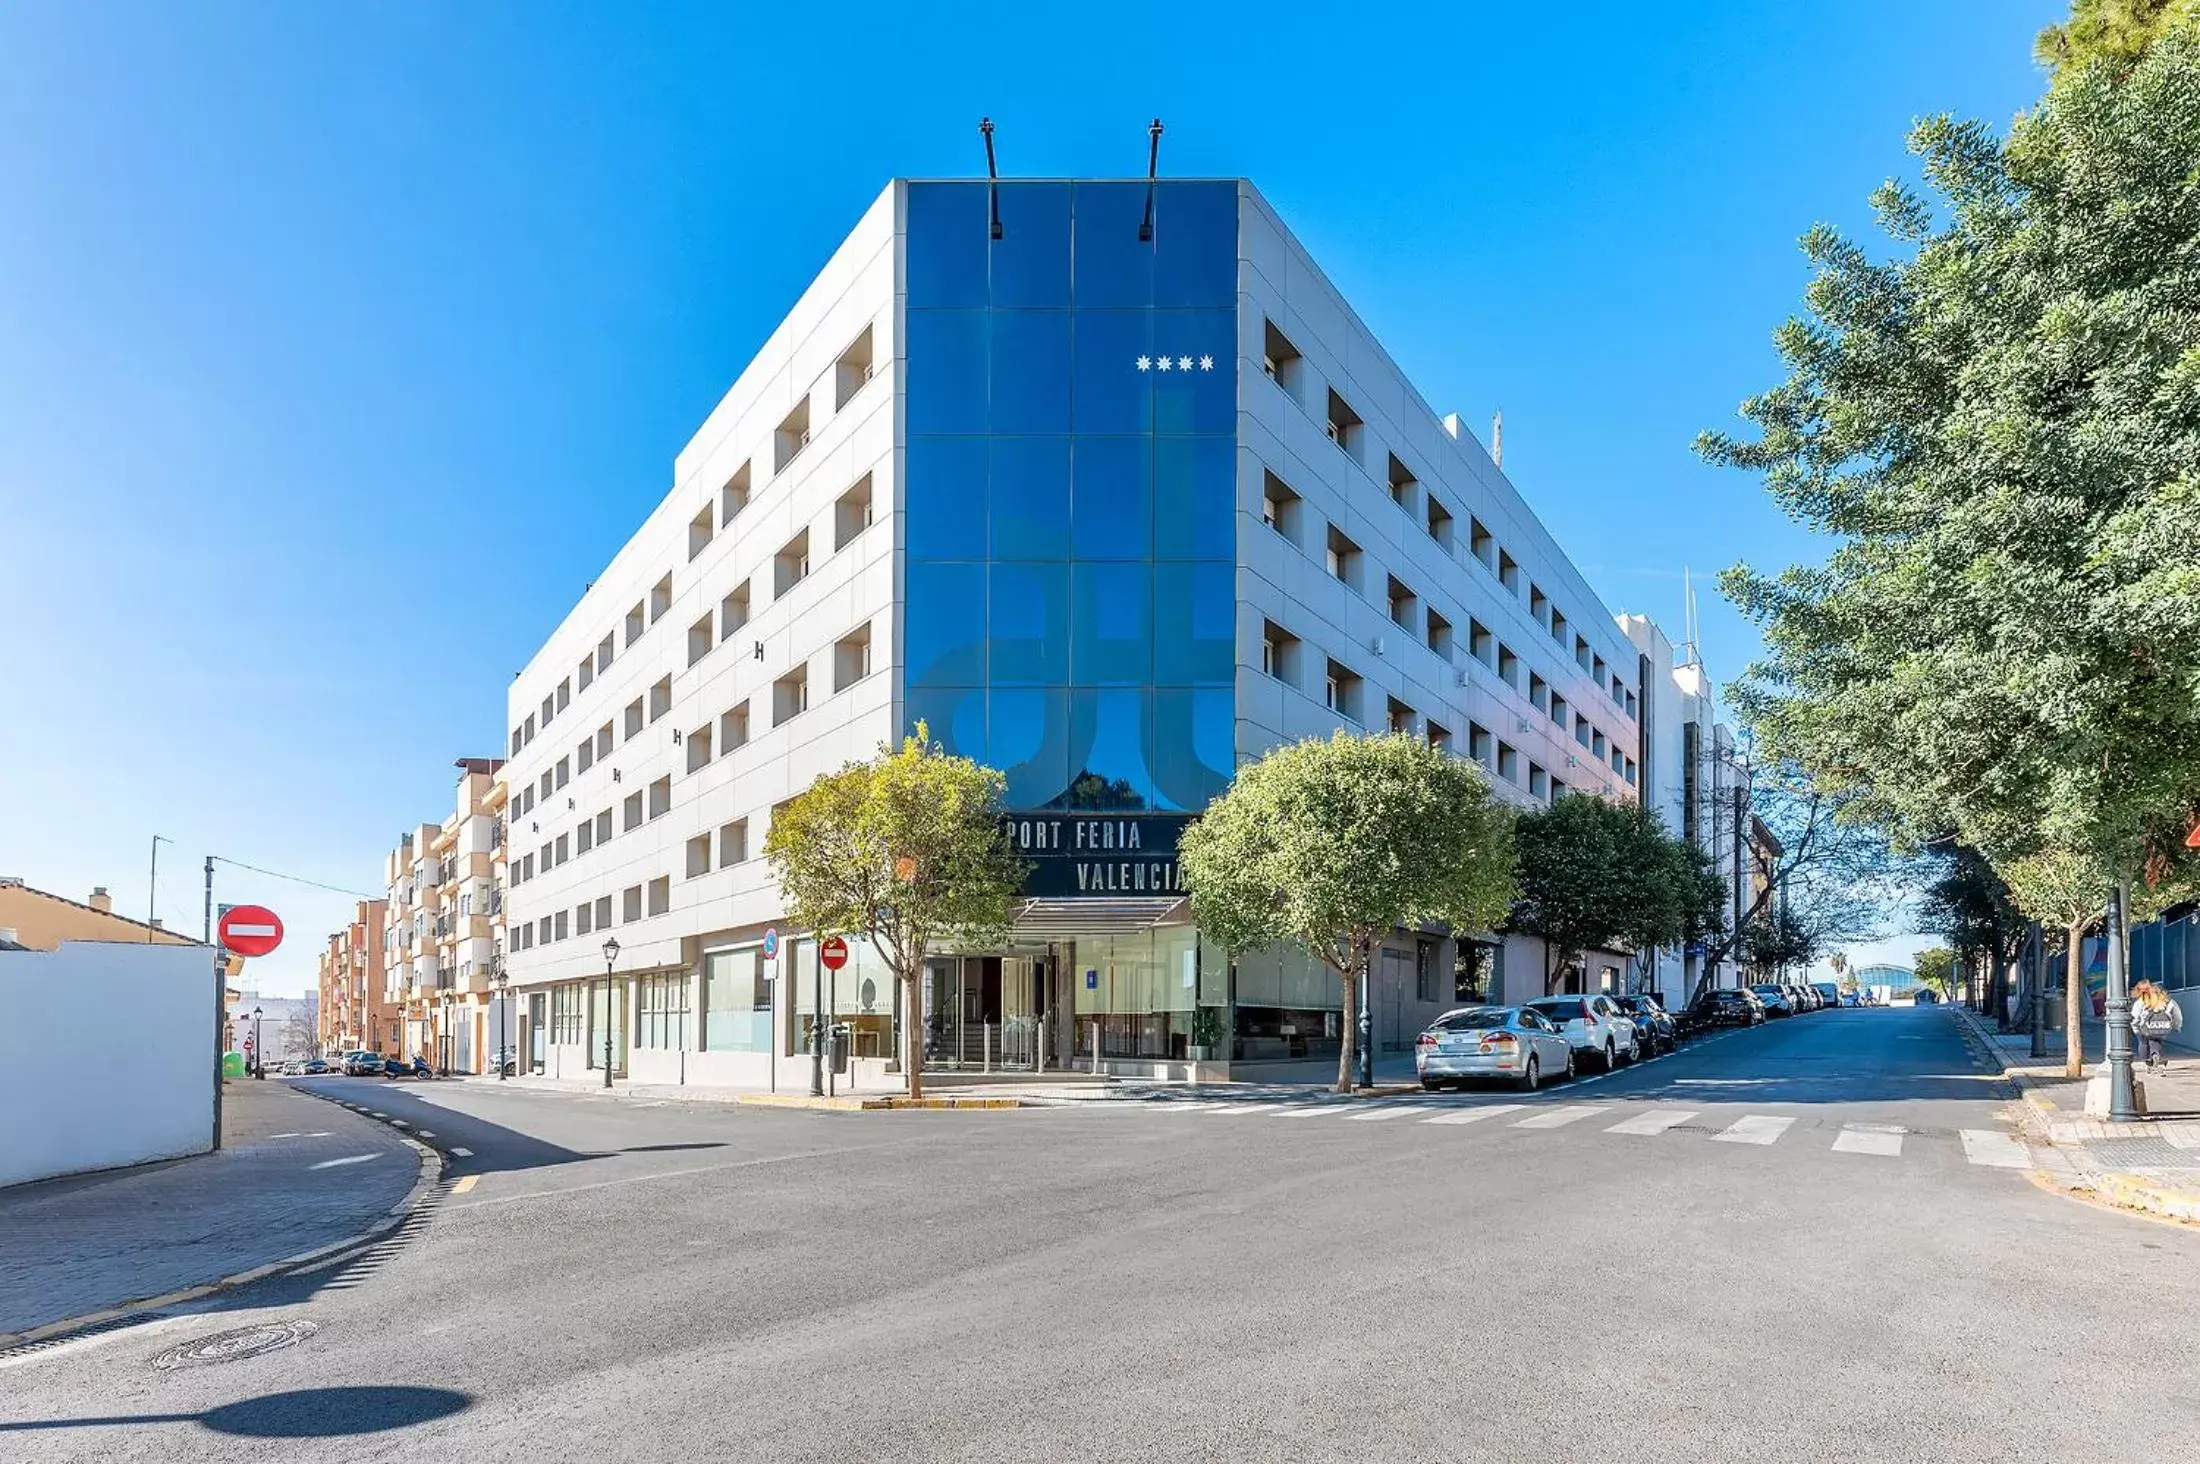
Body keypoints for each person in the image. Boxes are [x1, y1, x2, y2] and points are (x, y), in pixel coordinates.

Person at [2132, 981, 2183, 1073]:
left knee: (2143, 1043)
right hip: (2160, 1026)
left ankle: (2147, 1062)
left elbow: (2135, 1016)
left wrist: (2135, 1028)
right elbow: (2177, 1015)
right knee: (2156, 1041)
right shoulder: (2168, 1001)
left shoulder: (2141, 1002)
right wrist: (2177, 1026)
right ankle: (2155, 1054)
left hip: (2143, 1028)